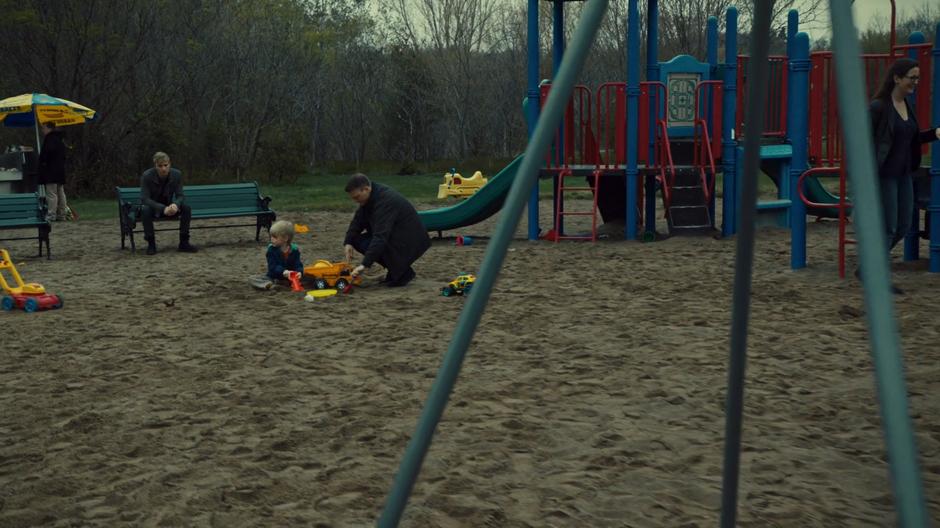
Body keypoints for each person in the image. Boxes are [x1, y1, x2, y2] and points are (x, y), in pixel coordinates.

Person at [866, 58, 940, 293]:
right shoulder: (878, 107)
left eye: (918, 78)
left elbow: (912, 138)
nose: (915, 82)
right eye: (912, 78)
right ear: (897, 78)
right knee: (888, 227)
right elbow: (863, 142)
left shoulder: (907, 106)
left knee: (904, 225)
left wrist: (935, 134)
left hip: (905, 174)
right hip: (885, 175)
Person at [343, 173, 430, 287]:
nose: (355, 201)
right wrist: (348, 242)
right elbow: (358, 220)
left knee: (377, 242)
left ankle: (402, 273)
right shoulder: (370, 197)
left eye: (357, 197)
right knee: (356, 240)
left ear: (366, 189)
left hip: (410, 241)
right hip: (396, 236)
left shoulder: (385, 201)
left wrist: (365, 265)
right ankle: (398, 271)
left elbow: (380, 236)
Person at [139, 151, 198, 255]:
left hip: (170, 206)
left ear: (169, 164)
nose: (163, 169)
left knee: (186, 208)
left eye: (165, 165)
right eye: (160, 166)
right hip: (154, 208)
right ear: (155, 165)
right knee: (145, 210)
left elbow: (180, 195)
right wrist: (162, 208)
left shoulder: (177, 174)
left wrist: (175, 204)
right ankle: (151, 244)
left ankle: (184, 243)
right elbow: (145, 199)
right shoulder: (146, 176)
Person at [37, 121, 71, 221]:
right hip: (60, 171)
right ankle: (62, 214)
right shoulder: (60, 139)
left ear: (49, 128)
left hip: (50, 171)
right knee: (61, 193)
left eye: (43, 128)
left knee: (51, 194)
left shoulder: (49, 139)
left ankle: (51, 215)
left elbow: (47, 153)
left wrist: (43, 161)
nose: (42, 130)